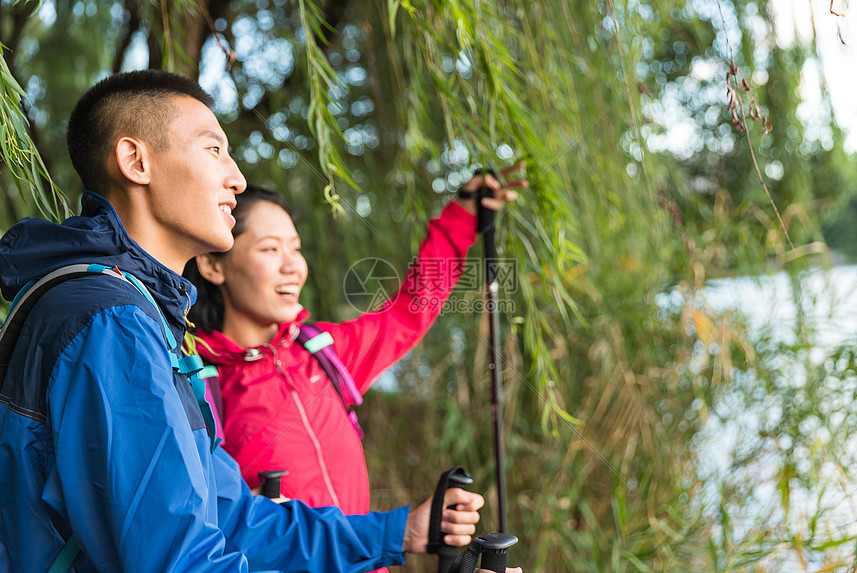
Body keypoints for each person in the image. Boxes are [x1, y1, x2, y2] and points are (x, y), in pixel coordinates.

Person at [0, 70, 513, 573]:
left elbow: (235, 522)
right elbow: (182, 560)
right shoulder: (115, 323)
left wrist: (399, 534)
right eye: (214, 149)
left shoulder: (300, 354)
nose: (237, 178)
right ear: (136, 160)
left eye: (296, 248)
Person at [183, 167, 523, 515]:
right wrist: (245, 516)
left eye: (296, 249)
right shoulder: (196, 387)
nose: (293, 266)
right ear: (213, 265)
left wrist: (463, 217)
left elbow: (411, 309)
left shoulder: (324, 352)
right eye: (270, 249)